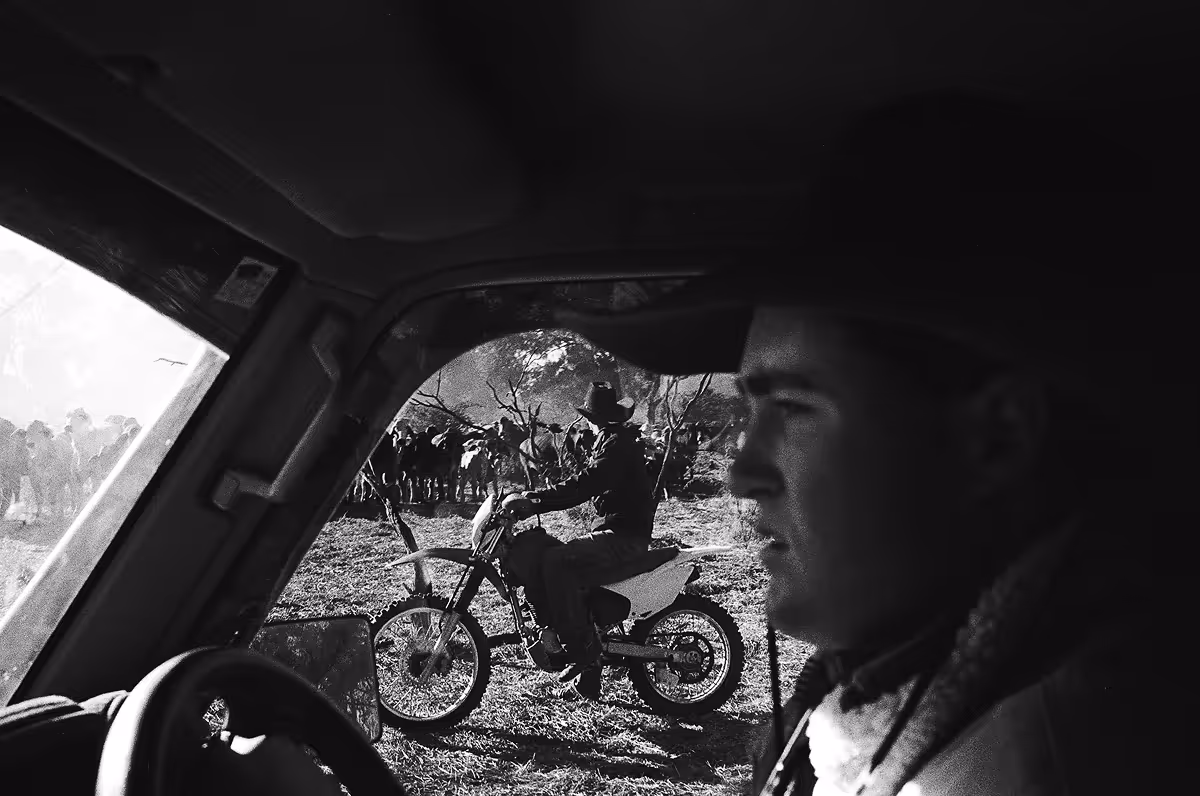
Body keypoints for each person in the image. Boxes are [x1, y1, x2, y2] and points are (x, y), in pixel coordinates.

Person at [560, 90, 1187, 794]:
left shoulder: (1051, 766)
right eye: (750, 408)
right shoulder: (890, 695)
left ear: (996, 435)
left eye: (794, 406)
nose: (740, 474)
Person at [504, 381, 657, 700]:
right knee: (560, 561)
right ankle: (588, 678)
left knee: (556, 560)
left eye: (588, 414)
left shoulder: (617, 444)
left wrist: (537, 500)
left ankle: (581, 651)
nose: (586, 420)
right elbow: (586, 484)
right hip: (616, 531)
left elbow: (585, 484)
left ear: (594, 416)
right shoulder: (612, 440)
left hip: (624, 537)